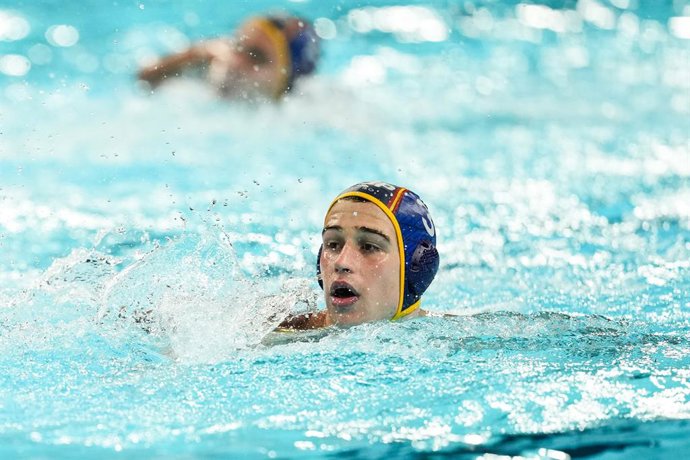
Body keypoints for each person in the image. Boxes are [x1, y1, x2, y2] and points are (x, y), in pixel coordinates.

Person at [279, 182, 440, 330]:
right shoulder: (272, 335)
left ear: (417, 268)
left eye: (369, 247)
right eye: (333, 244)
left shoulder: (455, 343)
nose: (342, 262)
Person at [137, 13, 320, 100]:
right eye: (238, 45)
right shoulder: (206, 74)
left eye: (256, 57)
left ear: (286, 78)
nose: (234, 60)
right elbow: (144, 79)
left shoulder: (304, 114)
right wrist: (192, 55)